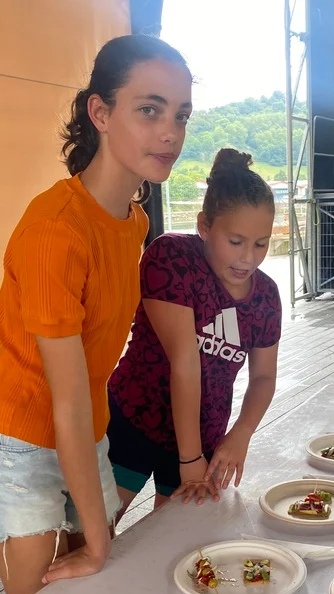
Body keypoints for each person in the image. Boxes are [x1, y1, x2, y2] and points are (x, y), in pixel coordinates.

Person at [0, 35, 192, 594]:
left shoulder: (134, 222)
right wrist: (98, 540)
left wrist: (96, 540)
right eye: (150, 109)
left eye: (181, 115)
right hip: (22, 437)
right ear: (101, 112)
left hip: (88, 428)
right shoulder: (56, 230)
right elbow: (63, 398)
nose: (170, 132)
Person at [108, 148, 281, 517]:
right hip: (134, 418)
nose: (248, 258)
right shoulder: (172, 257)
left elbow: (264, 377)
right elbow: (185, 363)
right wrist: (189, 459)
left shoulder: (266, 295)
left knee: (179, 534)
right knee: (94, 528)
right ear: (204, 226)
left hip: (204, 433)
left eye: (261, 243)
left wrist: (241, 434)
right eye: (235, 241)